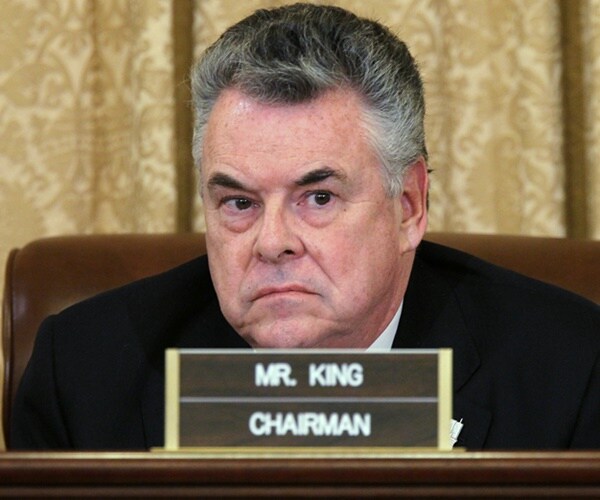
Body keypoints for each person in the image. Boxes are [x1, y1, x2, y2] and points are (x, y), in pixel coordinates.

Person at [11, 3, 600, 450]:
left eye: (318, 197)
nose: (272, 243)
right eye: (239, 202)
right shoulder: (84, 373)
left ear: (409, 206)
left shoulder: (569, 370)